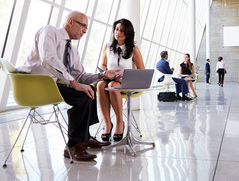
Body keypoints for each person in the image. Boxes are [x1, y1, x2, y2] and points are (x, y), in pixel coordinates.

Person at [19, 11, 121, 161]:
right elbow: (48, 59)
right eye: (83, 26)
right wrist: (74, 84)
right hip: (35, 85)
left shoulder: (72, 50)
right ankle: (72, 146)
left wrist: (103, 75)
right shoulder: (49, 31)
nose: (85, 31)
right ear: (71, 22)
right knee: (81, 95)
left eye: (87, 28)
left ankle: (84, 138)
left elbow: (80, 76)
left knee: (89, 90)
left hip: (52, 85)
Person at [97, 19, 145, 142]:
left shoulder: (134, 50)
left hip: (127, 82)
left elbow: (141, 72)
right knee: (101, 85)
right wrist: (106, 73)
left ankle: (119, 123)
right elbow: (103, 64)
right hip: (110, 78)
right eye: (117, 29)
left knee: (113, 85)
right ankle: (108, 124)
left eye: (122, 31)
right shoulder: (107, 46)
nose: (118, 33)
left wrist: (124, 78)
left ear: (128, 33)